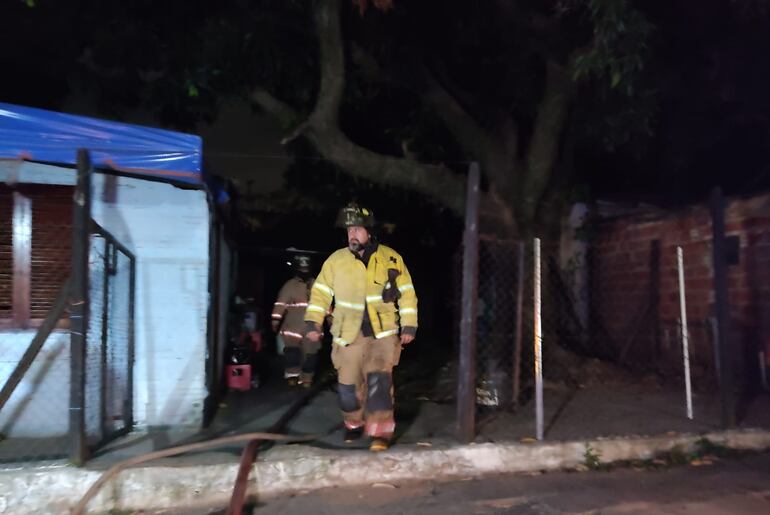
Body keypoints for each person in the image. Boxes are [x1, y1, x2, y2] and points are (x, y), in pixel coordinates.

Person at [304, 203, 417, 452]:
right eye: (348, 230)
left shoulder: (391, 258)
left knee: (378, 386)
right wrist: (314, 321)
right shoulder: (336, 261)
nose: (351, 234)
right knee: (347, 389)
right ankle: (353, 423)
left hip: (383, 335)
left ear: (369, 231)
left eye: (356, 229)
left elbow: (407, 294)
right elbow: (321, 293)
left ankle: (380, 433)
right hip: (348, 336)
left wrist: (409, 325)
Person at [271, 254, 319, 387]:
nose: (304, 270)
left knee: (311, 355)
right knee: (292, 354)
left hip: (312, 327)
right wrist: (275, 320)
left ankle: (307, 379)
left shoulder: (317, 284)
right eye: (302, 268)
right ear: (297, 268)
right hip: (292, 326)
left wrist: (330, 318)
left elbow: (324, 304)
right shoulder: (289, 285)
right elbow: (280, 304)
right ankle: (292, 376)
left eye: (306, 268)